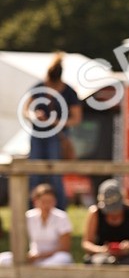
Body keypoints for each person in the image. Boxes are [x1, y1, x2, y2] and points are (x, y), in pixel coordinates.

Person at [25, 52, 82, 210]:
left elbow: (76, 119)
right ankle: (32, 210)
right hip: (38, 135)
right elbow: (25, 109)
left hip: (57, 136)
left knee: (55, 175)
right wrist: (34, 115)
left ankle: (59, 211)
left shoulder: (68, 92)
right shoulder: (39, 87)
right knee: (34, 175)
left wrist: (56, 122)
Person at [0, 183, 74, 267]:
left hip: (54, 257)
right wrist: (26, 256)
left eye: (50, 201)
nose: (46, 205)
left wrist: (40, 255)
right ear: (36, 201)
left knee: (62, 258)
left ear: (55, 201)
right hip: (33, 256)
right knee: (2, 259)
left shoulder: (61, 217)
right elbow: (18, 239)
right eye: (43, 202)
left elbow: (65, 248)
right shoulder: (28, 216)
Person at [82, 178, 129, 265]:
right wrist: (102, 250)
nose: (113, 212)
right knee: (102, 263)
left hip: (127, 257)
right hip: (101, 256)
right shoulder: (95, 213)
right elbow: (86, 243)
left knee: (128, 265)